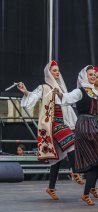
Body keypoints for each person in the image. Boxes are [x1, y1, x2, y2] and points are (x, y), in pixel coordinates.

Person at [56, 65, 98, 205]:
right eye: (90, 75)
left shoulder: (97, 94)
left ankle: (86, 194)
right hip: (85, 125)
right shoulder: (79, 91)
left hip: (96, 124)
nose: (93, 77)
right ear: (84, 77)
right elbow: (68, 98)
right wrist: (60, 94)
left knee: (95, 164)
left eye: (94, 75)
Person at [18, 60, 80, 200]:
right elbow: (33, 97)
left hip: (62, 122)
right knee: (71, 141)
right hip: (52, 123)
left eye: (58, 70)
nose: (57, 72)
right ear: (48, 73)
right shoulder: (44, 87)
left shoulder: (61, 88)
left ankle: (51, 188)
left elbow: (68, 105)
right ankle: (75, 172)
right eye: (54, 70)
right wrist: (26, 91)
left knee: (56, 159)